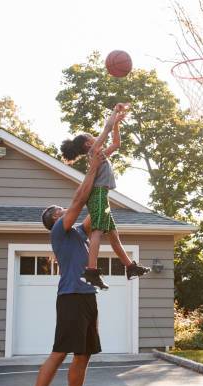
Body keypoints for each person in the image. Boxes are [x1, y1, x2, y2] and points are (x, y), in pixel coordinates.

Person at [20, 149, 106, 386]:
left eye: (61, 209)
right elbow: (79, 199)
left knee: (84, 356)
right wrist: (91, 168)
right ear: (54, 221)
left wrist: (103, 175)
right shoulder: (59, 232)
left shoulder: (79, 233)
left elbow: (96, 207)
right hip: (70, 297)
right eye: (57, 211)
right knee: (59, 353)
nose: (62, 210)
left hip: (88, 297)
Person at [59, 103, 150, 289]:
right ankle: (91, 270)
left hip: (102, 196)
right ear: (88, 143)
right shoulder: (93, 152)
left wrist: (117, 124)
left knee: (114, 236)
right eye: (93, 137)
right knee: (98, 232)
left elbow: (116, 143)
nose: (95, 137)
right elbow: (106, 129)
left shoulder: (99, 155)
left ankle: (130, 267)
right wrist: (115, 112)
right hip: (98, 194)